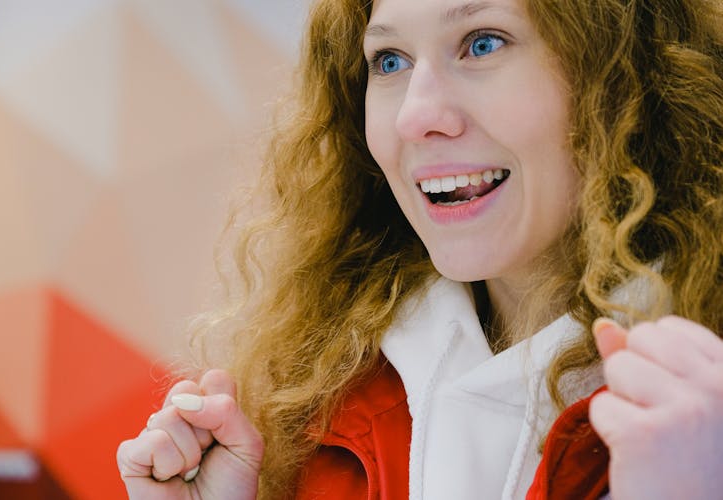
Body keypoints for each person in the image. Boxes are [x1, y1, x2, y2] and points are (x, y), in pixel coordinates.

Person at [116, 0, 723, 498]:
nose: (416, 115)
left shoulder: (704, 420)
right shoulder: (316, 414)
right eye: (389, 60)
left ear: (626, 78)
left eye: (482, 42)